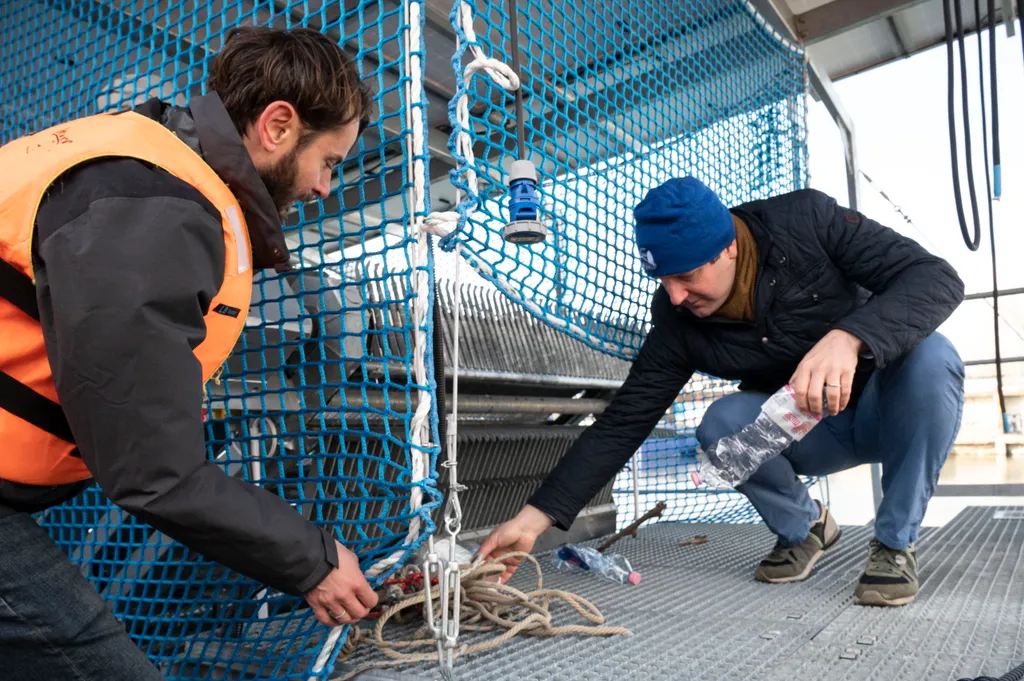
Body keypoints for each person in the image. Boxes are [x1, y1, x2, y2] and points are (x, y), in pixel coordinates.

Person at [0, 26, 379, 680]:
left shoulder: (141, 167)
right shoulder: (150, 203)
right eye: (331, 162)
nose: (324, 188)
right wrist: (312, 560)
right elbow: (154, 469)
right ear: (279, 125)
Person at [478, 176, 966, 608]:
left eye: (687, 276)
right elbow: (624, 421)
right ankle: (807, 528)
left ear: (729, 246)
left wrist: (851, 337)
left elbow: (936, 278)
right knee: (721, 421)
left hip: (890, 409)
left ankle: (895, 543)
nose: (674, 296)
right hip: (813, 431)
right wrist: (535, 518)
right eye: (663, 279)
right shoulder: (676, 320)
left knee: (932, 356)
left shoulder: (807, 221)